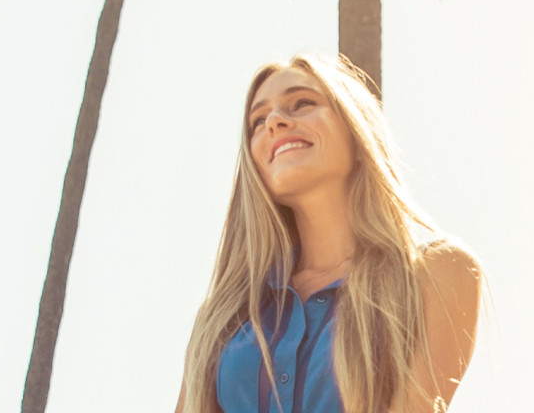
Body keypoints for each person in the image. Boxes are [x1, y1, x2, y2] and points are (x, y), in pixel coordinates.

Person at [174, 55, 485, 413]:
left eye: (302, 103)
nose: (275, 121)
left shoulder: (438, 274)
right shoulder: (223, 316)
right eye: (258, 121)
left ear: (356, 132)